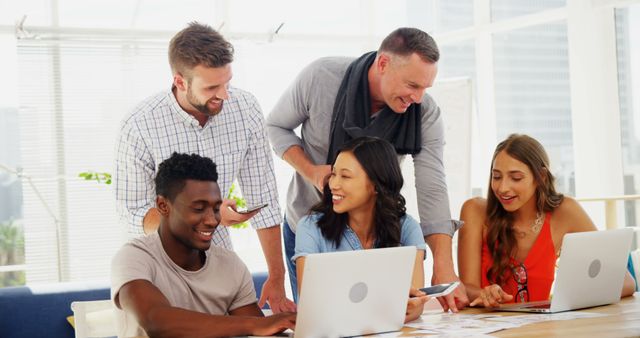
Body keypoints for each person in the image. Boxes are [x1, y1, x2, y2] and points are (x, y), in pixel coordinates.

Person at [267, 27, 468, 311]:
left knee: (382, 318)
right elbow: (276, 126)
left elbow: (432, 185)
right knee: (321, 318)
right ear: (383, 63)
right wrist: (311, 171)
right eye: (412, 85)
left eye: (425, 88)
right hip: (311, 224)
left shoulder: (424, 111)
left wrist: (444, 267)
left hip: (378, 234)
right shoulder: (322, 77)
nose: (419, 98)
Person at [114, 22, 294, 312]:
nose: (224, 95)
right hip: (160, 268)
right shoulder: (139, 126)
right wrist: (204, 217)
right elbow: (133, 212)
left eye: (227, 82)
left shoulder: (245, 109)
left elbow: (264, 200)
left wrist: (276, 277)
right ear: (180, 82)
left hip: (220, 265)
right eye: (212, 87)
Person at [111, 153, 296, 337]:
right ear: (163, 206)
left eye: (216, 209)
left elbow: (261, 331)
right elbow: (156, 321)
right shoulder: (134, 257)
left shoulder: (230, 265)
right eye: (198, 209)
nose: (212, 220)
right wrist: (254, 324)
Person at [458, 134, 636, 307]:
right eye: (496, 177)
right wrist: (483, 294)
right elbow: (466, 288)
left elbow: (625, 281)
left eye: (516, 178)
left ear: (540, 177)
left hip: (540, 330)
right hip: (485, 330)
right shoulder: (475, 211)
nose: (503, 188)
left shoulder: (565, 212)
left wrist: (571, 298)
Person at [293, 137, 430, 323]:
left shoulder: (406, 227)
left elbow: (415, 304)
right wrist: (387, 308)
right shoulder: (310, 227)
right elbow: (311, 307)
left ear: (375, 185)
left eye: (345, 176)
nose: (333, 184)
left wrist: (411, 306)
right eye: (333, 174)